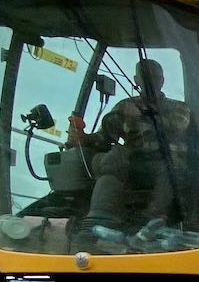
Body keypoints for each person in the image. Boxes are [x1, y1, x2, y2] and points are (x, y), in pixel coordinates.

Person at [66, 58, 191, 235]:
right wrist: (82, 138)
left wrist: (139, 116)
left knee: (170, 167)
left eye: (154, 77)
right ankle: (96, 223)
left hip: (168, 164)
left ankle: (152, 222)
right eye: (145, 77)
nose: (150, 81)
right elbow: (104, 137)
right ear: (136, 80)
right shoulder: (124, 106)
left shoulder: (179, 108)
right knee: (112, 157)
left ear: (162, 81)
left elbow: (175, 126)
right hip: (134, 164)